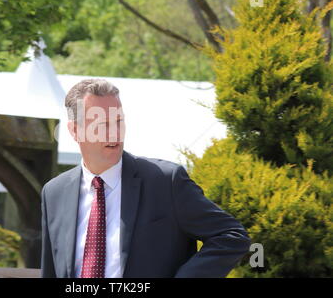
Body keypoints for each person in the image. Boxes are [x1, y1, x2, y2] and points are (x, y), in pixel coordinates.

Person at [41, 79, 251, 278]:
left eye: (118, 121)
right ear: (75, 131)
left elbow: (231, 236)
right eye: (102, 124)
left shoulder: (166, 182)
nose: (114, 132)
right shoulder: (54, 193)